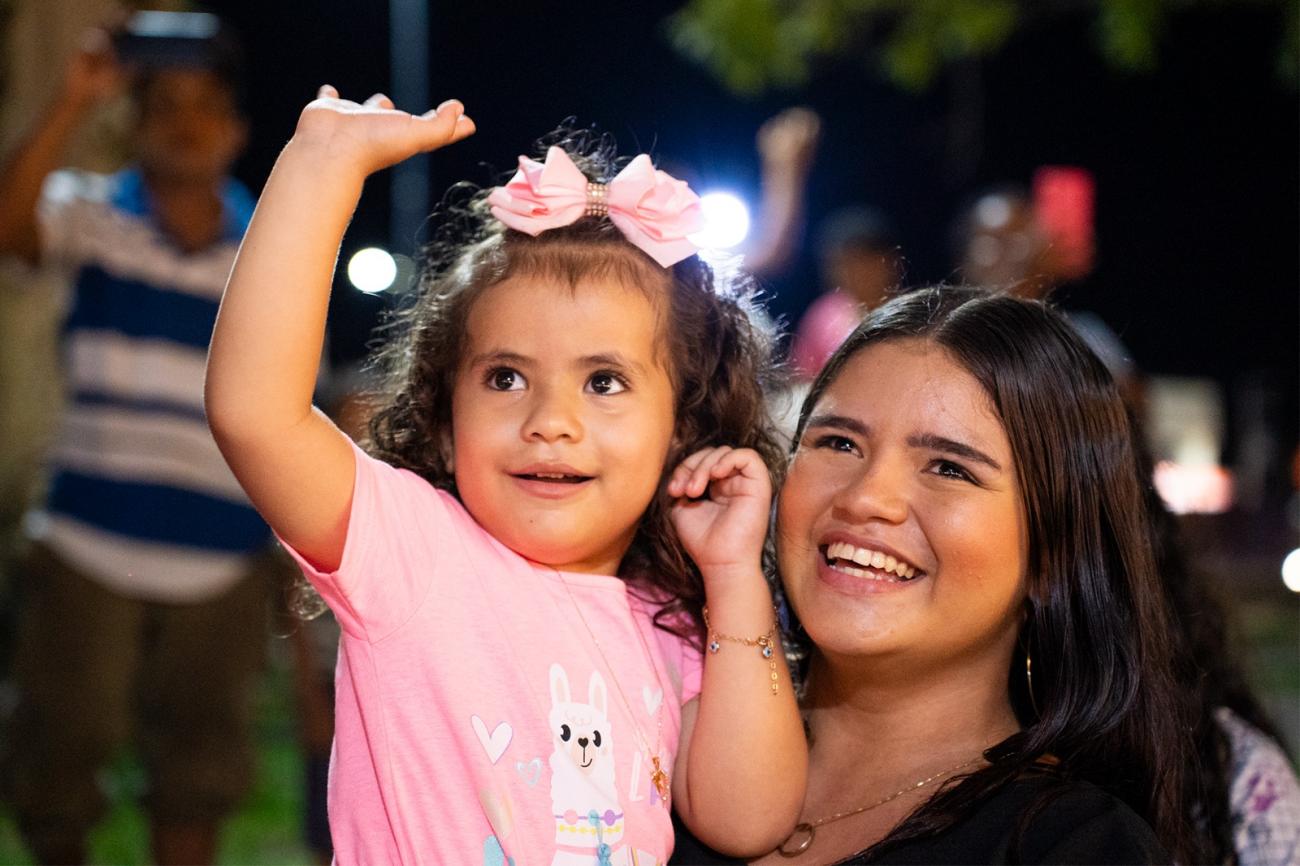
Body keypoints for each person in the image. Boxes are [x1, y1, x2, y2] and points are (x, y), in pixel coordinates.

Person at [204, 87, 808, 863]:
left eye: (603, 382)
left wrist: (732, 580)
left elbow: (748, 818)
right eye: (506, 378)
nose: (550, 420)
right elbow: (255, 413)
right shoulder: (413, 551)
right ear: (444, 419)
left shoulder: (672, 623)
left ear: (680, 429)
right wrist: (319, 168)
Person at [673, 286, 1208, 864]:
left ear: (1052, 554)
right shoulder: (651, 728)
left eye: (950, 468)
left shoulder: (1074, 846)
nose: (867, 498)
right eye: (840, 442)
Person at [0, 23, 270, 866]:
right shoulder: (90, 213)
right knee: (57, 762)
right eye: (167, 106)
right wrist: (73, 99)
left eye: (205, 107)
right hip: (88, 545)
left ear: (235, 130)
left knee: (198, 774)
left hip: (221, 559)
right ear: (136, 125)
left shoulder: (268, 245)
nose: (187, 123)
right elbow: (9, 228)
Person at [789, 206, 902, 379]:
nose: (852, 273)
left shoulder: (909, 313)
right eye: (842, 263)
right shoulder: (823, 316)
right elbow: (801, 380)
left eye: (863, 261)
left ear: (889, 261)